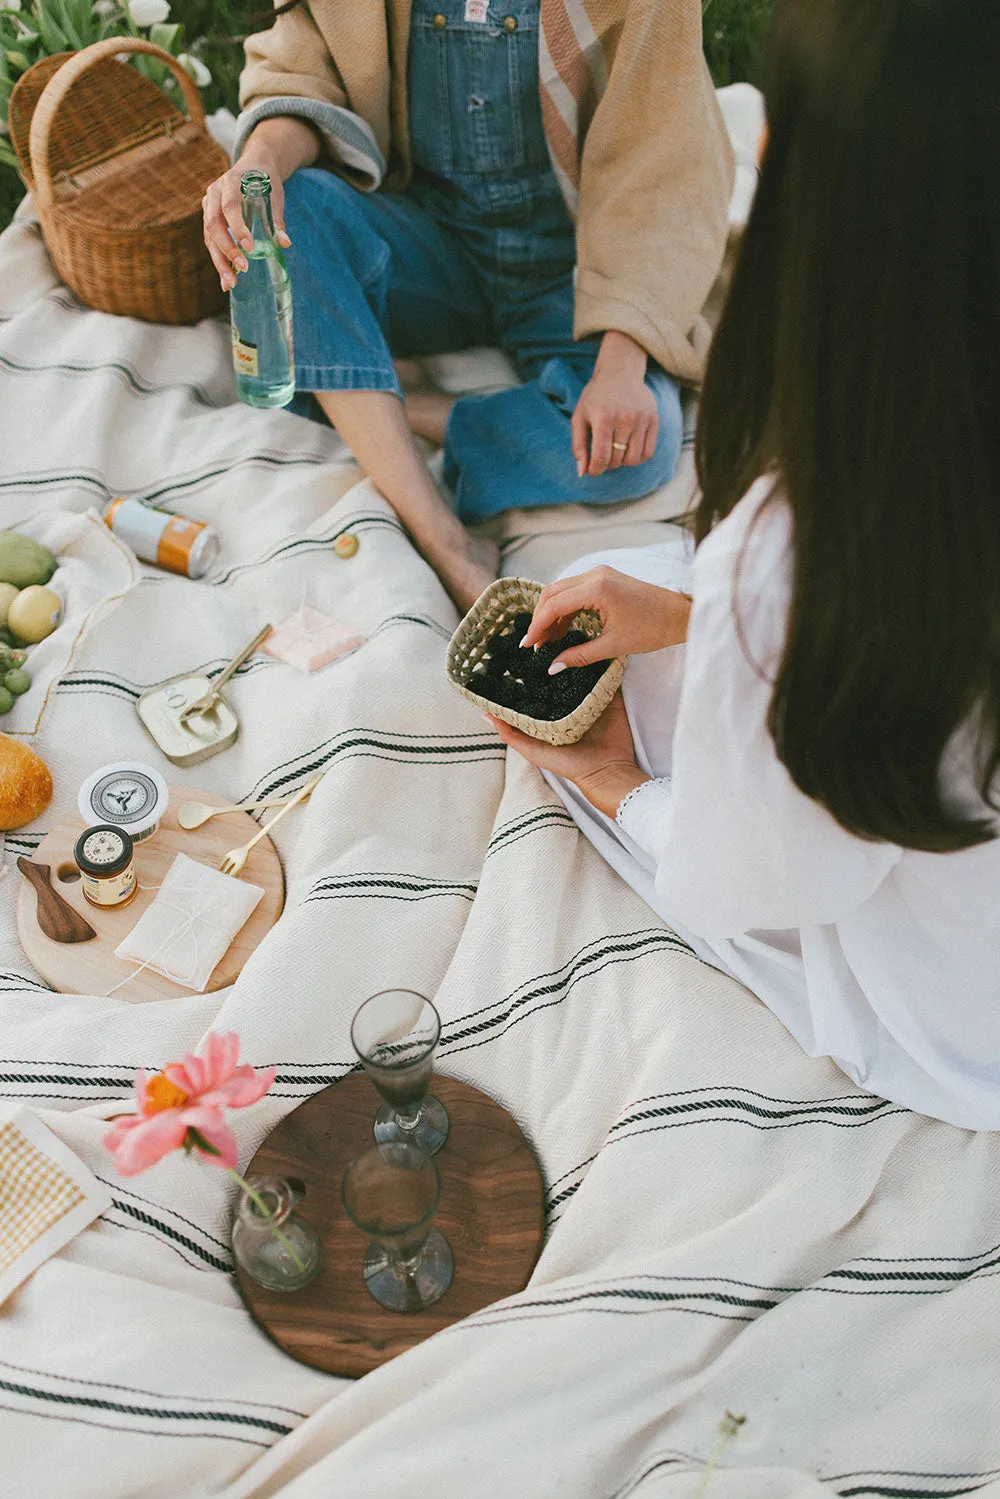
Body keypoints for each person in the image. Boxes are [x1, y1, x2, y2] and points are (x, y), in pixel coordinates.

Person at [486, 0, 1000, 1129]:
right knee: (642, 573)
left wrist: (617, 781)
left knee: (627, 690)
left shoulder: (810, 543)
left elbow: (757, 877)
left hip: (963, 1005)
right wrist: (689, 615)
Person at [202, 0, 734, 611]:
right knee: (295, 208)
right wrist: (257, 168)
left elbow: (665, 157)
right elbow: (303, 72)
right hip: (429, 242)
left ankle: (383, 403)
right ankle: (447, 541)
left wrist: (621, 364)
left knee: (638, 447)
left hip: (577, 265)